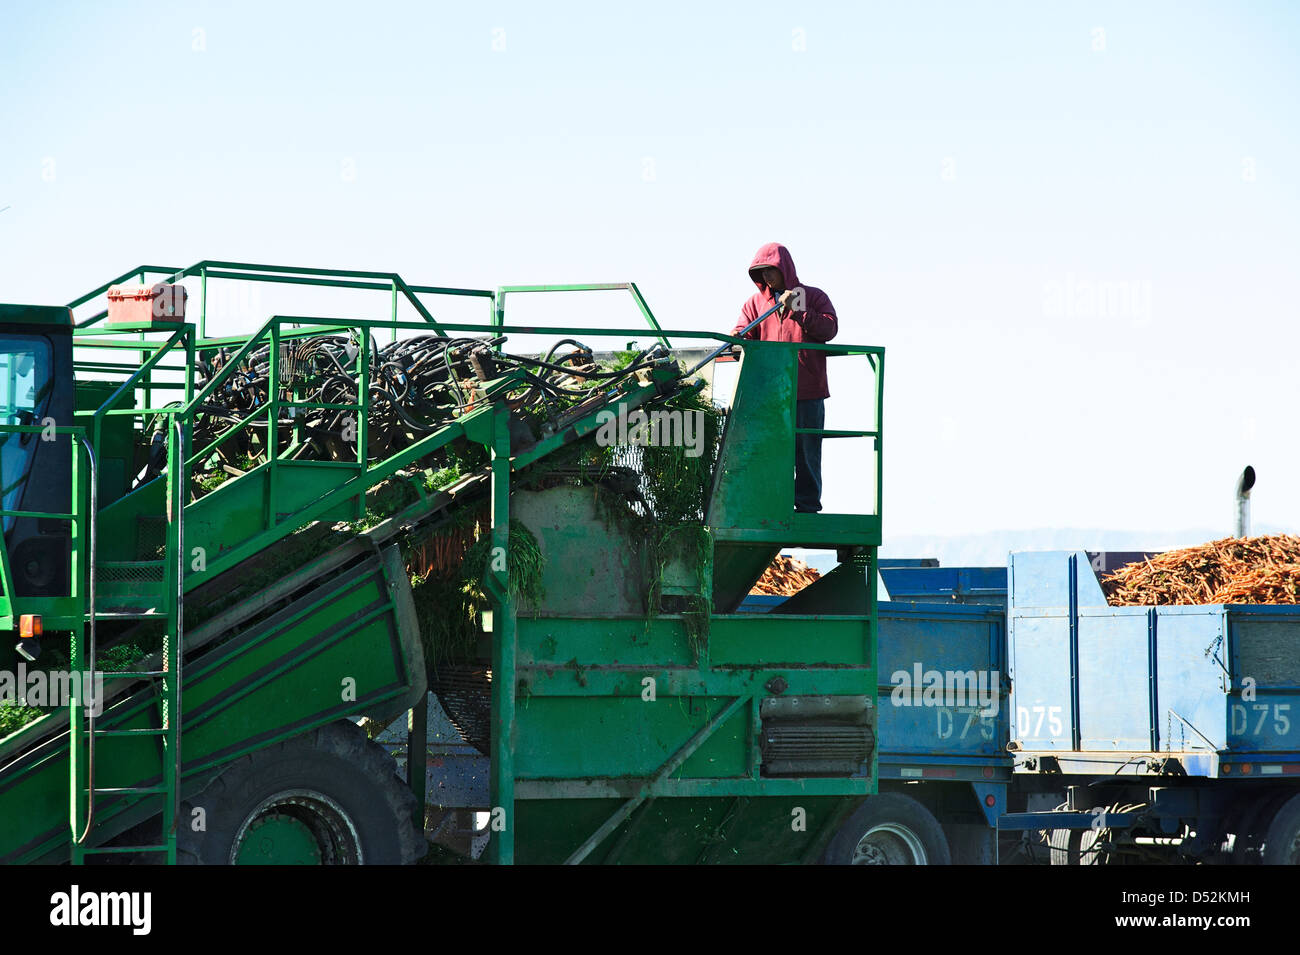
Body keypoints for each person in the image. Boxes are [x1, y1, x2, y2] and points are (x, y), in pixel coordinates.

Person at [730, 242, 838, 513]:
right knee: (769, 451)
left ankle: (807, 508)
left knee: (806, 451)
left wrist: (799, 311)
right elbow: (743, 330)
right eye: (761, 272)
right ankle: (769, 506)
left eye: (771, 270)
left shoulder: (812, 296)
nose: (767, 277)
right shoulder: (755, 304)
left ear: (784, 269)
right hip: (769, 394)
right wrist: (736, 339)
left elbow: (829, 328)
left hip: (807, 390)